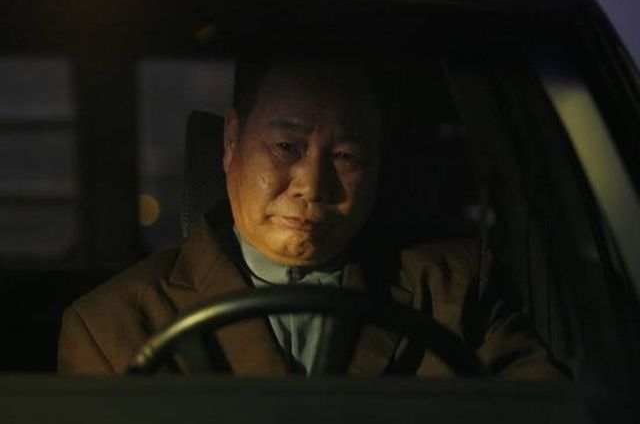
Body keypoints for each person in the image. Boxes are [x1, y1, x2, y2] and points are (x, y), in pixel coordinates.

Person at [57, 57, 568, 378]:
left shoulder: (456, 289)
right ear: (231, 141)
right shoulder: (113, 326)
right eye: (286, 146)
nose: (313, 184)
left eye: (346, 156)